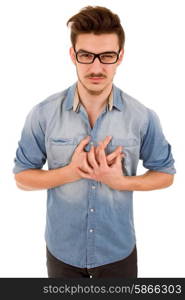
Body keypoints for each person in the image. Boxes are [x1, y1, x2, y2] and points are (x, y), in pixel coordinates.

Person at [13, 6, 176, 278]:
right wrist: (70, 172)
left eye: (107, 56)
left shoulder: (142, 116)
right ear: (72, 55)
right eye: (86, 56)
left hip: (118, 253)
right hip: (62, 252)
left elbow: (165, 174)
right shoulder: (43, 114)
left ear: (120, 57)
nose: (96, 67)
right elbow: (21, 178)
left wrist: (121, 182)